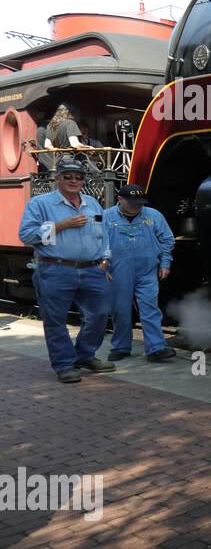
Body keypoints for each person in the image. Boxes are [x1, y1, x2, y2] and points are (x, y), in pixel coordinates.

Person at [17, 159, 116, 383]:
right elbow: (26, 235)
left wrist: (105, 260)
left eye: (78, 177)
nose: (73, 180)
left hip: (93, 270)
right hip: (55, 269)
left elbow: (104, 233)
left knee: (99, 315)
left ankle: (85, 354)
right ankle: (64, 364)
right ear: (57, 178)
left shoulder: (92, 203)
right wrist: (62, 225)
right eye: (67, 176)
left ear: (83, 180)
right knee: (55, 320)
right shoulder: (41, 203)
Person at [104, 184, 177, 362]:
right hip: (117, 271)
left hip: (147, 270)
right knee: (120, 310)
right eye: (133, 203)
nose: (138, 206)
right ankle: (121, 347)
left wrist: (165, 262)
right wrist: (102, 264)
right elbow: (98, 242)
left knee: (150, 309)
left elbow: (167, 240)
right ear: (120, 200)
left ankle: (156, 348)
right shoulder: (106, 217)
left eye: (140, 202)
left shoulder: (153, 215)